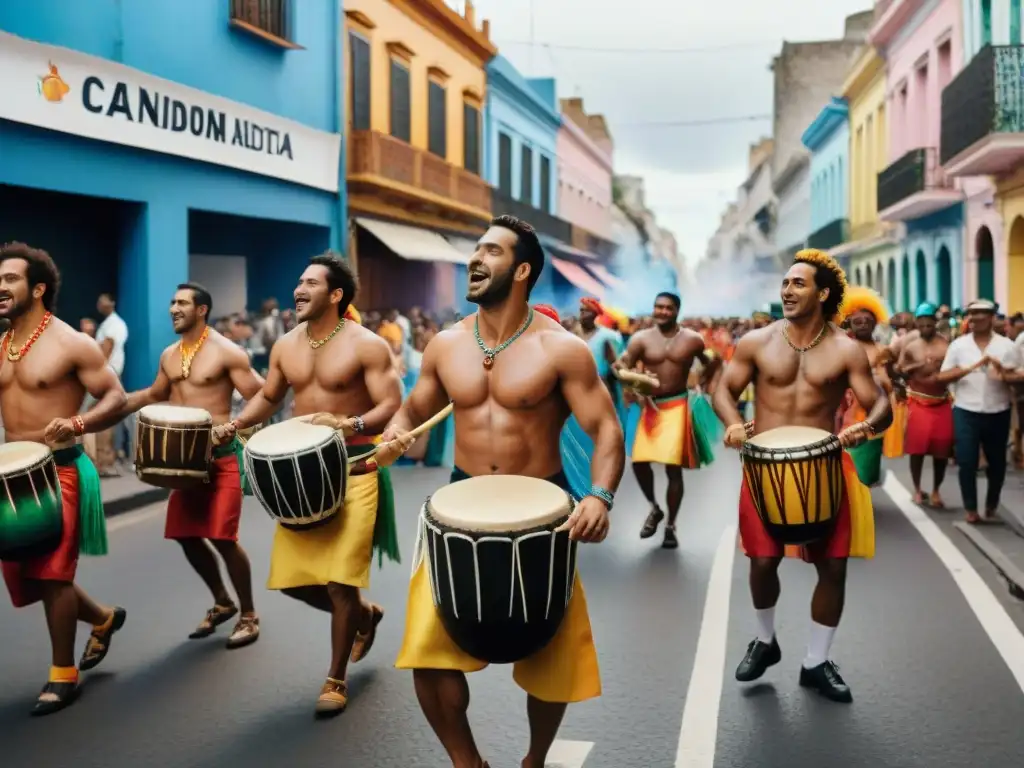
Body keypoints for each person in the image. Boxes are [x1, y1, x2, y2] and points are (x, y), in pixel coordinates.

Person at [383, 215, 625, 768]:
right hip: (457, 508)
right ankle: (468, 762)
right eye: (475, 249)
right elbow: (415, 407)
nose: (475, 258)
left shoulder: (562, 350)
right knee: (428, 652)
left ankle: (534, 760)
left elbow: (607, 430)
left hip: (543, 513)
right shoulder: (443, 345)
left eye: (490, 251)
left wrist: (599, 496)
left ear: (520, 270)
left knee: (552, 660)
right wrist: (397, 433)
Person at [214, 252, 402, 715]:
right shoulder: (285, 345)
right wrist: (235, 425)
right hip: (303, 477)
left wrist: (349, 422)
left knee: (339, 583)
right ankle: (365, 615)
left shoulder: (367, 345)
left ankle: (335, 678)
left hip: (356, 467)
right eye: (299, 282)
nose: (299, 289)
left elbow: (390, 402)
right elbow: (269, 397)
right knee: (293, 582)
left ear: (336, 295)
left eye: (310, 283)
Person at [712, 248, 891, 704]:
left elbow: (881, 404)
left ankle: (816, 661)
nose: (787, 290)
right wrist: (733, 423)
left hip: (826, 466)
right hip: (764, 469)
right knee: (762, 561)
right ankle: (765, 639)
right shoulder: (756, 342)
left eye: (799, 283)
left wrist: (866, 427)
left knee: (833, 567)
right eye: (786, 283)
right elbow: (723, 390)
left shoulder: (846, 348)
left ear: (823, 293)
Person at [0, 242, 129, 715]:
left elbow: (115, 397)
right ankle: (102, 618)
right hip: (9, 475)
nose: (0, 286)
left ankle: (63, 674)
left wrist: (78, 424)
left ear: (37, 289)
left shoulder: (72, 342)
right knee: (28, 576)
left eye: (10, 278)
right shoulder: (1, 344)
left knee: (53, 575)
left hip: (60, 470)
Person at [117, 283, 265, 647]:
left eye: (181, 302)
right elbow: (154, 395)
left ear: (201, 310)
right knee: (184, 535)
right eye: (172, 302)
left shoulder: (227, 352)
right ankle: (222, 601)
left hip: (223, 457)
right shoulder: (169, 354)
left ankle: (249, 614)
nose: (173, 308)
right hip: (184, 464)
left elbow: (263, 394)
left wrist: (236, 425)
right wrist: (113, 404)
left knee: (223, 537)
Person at [612, 292, 718, 549]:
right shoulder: (640, 339)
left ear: (677, 311)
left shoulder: (692, 339)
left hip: (678, 405)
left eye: (668, 308)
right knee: (639, 462)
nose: (662, 312)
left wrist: (702, 384)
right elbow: (620, 366)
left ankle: (671, 526)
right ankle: (654, 508)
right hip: (650, 408)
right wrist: (634, 384)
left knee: (673, 469)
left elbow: (710, 362)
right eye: (658, 307)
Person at [936, 300, 1021, 523]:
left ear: (992, 318)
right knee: (966, 460)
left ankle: (992, 503)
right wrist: (968, 370)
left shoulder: (1006, 346)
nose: (975, 319)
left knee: (997, 463)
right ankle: (971, 508)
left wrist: (1001, 371)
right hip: (966, 409)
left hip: (998, 409)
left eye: (981, 315)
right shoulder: (958, 346)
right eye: (971, 315)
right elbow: (942, 377)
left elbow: (1016, 376)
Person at [895, 303, 954, 507]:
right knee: (917, 448)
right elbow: (899, 370)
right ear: (917, 324)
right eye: (923, 324)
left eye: (930, 324)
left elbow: (954, 368)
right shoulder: (910, 345)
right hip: (918, 401)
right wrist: (918, 366)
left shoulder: (946, 344)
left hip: (941, 401)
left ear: (935, 323)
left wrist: (941, 369)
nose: (926, 327)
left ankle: (937, 490)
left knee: (942, 448)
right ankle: (917, 489)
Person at [835, 287, 893, 487]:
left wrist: (885, 378)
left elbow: (892, 380)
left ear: (875, 323)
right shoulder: (843, 348)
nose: (862, 325)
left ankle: (860, 498)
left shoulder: (883, 350)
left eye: (867, 322)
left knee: (866, 469)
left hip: (874, 411)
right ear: (849, 323)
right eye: (857, 322)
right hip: (848, 409)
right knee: (847, 458)